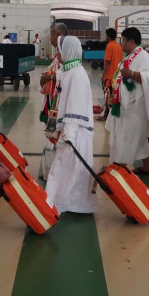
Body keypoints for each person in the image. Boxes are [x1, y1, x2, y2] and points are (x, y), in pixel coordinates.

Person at [46, 36, 98, 214]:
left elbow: (75, 105)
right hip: (70, 131)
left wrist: (68, 135)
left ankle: (54, 205)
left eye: (60, 49)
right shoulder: (70, 70)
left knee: (63, 169)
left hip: (75, 132)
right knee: (68, 171)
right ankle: (68, 203)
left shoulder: (77, 75)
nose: (58, 53)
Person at [105, 27, 149, 174]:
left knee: (127, 137)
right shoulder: (130, 55)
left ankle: (119, 168)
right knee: (138, 138)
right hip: (124, 104)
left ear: (131, 41)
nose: (121, 43)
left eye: (123, 40)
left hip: (135, 105)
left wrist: (131, 74)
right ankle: (147, 166)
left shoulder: (143, 56)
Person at [39, 23, 68, 123]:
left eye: (52, 35)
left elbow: (67, 74)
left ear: (60, 35)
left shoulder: (66, 54)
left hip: (62, 97)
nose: (50, 39)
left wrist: (49, 77)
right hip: (55, 94)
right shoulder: (58, 53)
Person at [99, 28, 123, 121]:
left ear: (108, 36)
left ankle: (106, 115)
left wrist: (104, 75)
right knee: (115, 97)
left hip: (109, 77)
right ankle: (113, 115)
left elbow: (108, 61)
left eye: (106, 36)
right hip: (117, 77)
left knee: (107, 97)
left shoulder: (109, 46)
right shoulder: (119, 47)